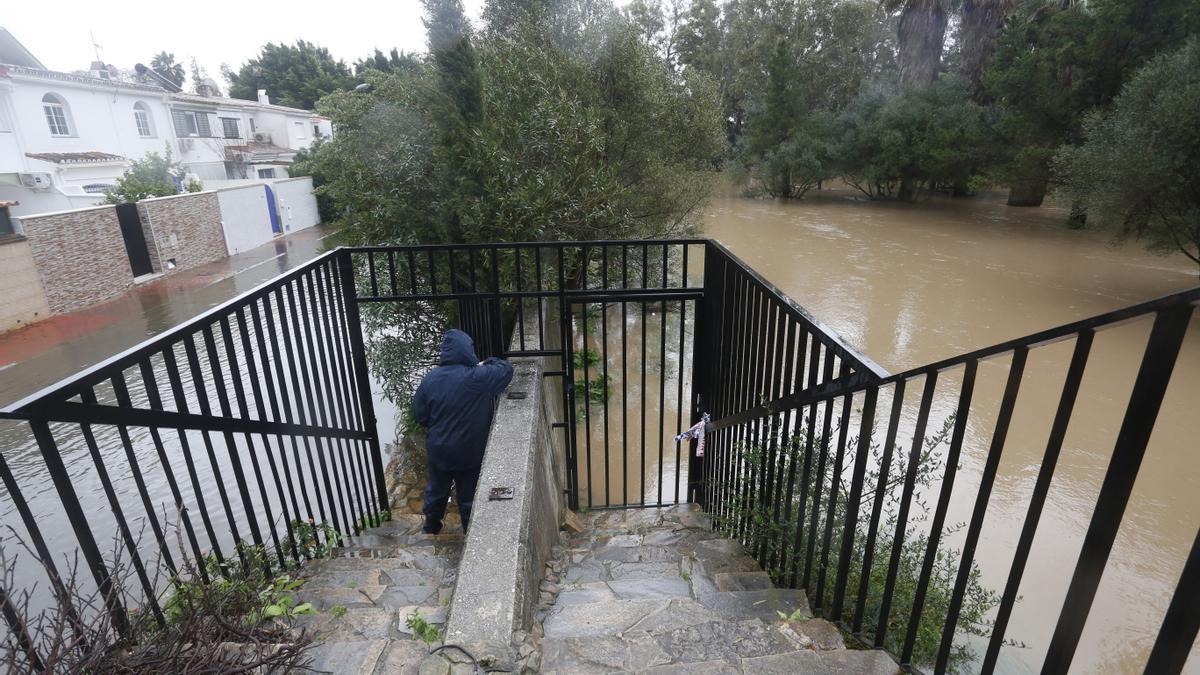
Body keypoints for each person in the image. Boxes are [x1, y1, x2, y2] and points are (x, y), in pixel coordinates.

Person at [412, 329, 513, 534]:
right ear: (467, 351)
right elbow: (506, 369)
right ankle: (469, 534)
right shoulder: (477, 376)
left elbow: (420, 414)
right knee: (468, 495)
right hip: (469, 450)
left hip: (439, 448)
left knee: (436, 489)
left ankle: (431, 528)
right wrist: (486, 362)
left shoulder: (430, 379)